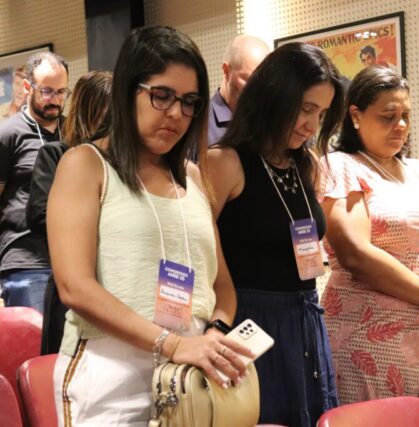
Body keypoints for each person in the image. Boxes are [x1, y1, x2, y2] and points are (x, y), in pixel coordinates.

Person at [48, 26, 251, 425]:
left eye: (189, 102)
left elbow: (222, 284)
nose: (176, 113)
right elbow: (74, 286)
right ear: (128, 91)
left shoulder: (192, 177)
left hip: (188, 374)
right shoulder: (86, 165)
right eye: (162, 95)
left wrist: (215, 330)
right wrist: (170, 343)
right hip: (111, 373)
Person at [319, 66, 419, 416]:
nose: (400, 125)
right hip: (371, 337)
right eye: (388, 116)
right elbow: (356, 254)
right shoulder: (341, 165)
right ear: (355, 116)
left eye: (406, 115)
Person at [206, 42, 345, 427]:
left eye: (321, 114)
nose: (312, 125)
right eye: (305, 109)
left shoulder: (306, 165)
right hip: (249, 323)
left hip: (306, 321)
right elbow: (198, 252)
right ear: (274, 95)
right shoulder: (225, 161)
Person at [26, 70, 112, 355]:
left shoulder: (120, 162)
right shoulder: (56, 154)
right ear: (91, 110)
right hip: (69, 283)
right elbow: (38, 215)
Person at [0, 52, 69, 312]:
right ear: (28, 87)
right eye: (47, 92)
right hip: (26, 261)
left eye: (61, 92)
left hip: (70, 258)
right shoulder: (8, 134)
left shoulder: (73, 130)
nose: (55, 100)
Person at [208, 34, 270, 146]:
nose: (257, 89)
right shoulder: (200, 122)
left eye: (262, 82)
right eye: (249, 79)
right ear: (226, 71)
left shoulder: (265, 119)